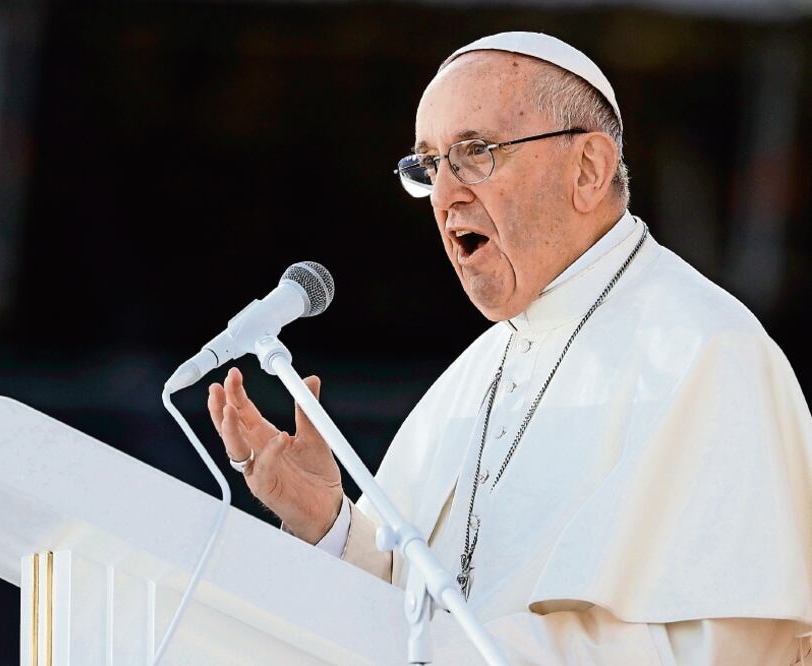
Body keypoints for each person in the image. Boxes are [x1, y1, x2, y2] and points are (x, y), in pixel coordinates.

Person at [207, 32, 812, 664]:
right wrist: (332, 527)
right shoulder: (473, 376)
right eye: (429, 168)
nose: (446, 195)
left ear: (588, 170)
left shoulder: (708, 352)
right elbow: (409, 617)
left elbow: (733, 644)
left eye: (475, 152)